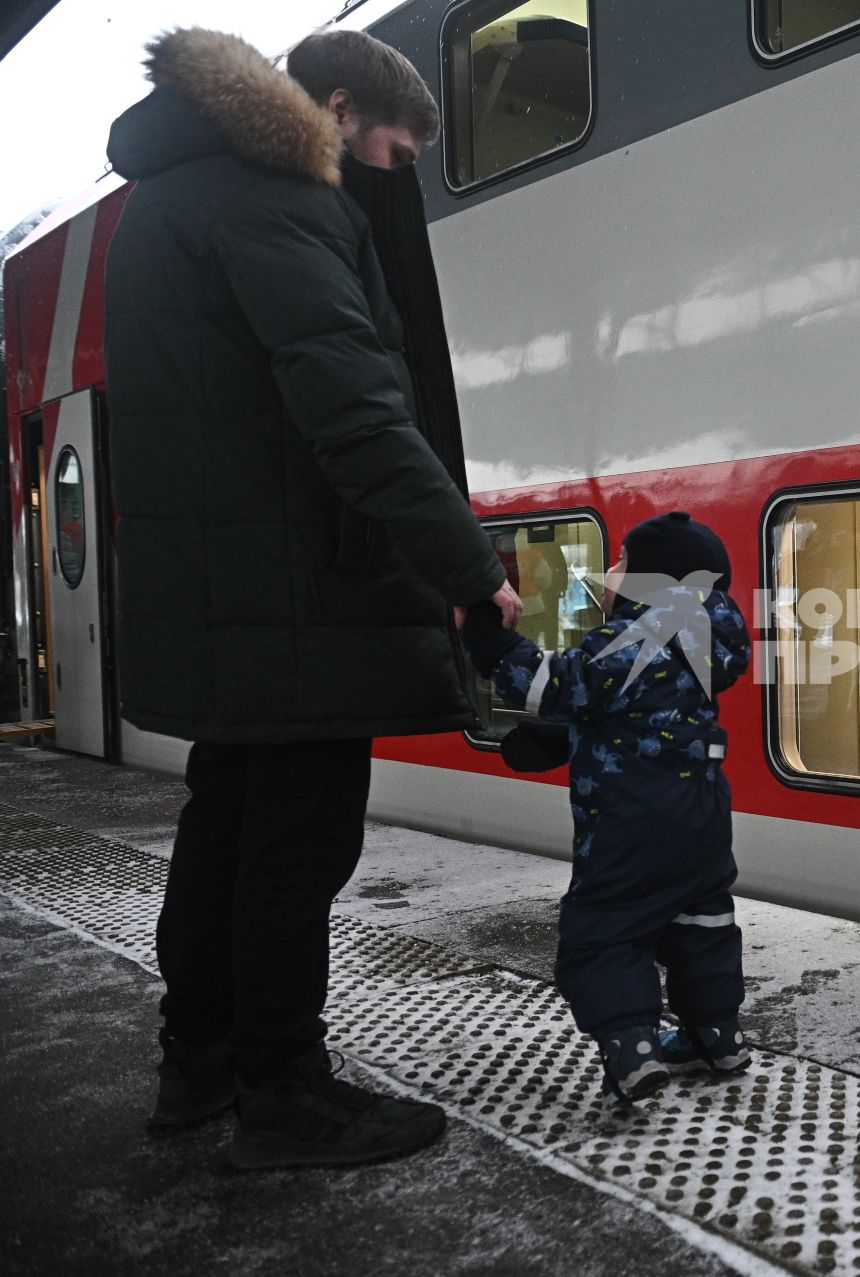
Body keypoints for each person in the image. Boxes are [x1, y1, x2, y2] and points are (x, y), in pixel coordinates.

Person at [103, 28, 522, 1169]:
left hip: (229, 593)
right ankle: (287, 1089)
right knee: (295, 848)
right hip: (298, 594)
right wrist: (470, 569)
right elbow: (354, 406)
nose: (388, 179)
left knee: (226, 829)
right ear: (337, 111)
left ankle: (199, 1065)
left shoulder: (171, 193)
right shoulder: (276, 196)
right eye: (388, 151)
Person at [462, 512, 753, 1102]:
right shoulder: (709, 639)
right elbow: (649, 714)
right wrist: (569, 738)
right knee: (701, 922)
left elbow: (549, 684)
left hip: (631, 817)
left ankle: (631, 1047)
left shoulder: (643, 636)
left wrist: (487, 640)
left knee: (604, 927)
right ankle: (715, 1037)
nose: (609, 572)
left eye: (621, 562)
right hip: (702, 815)